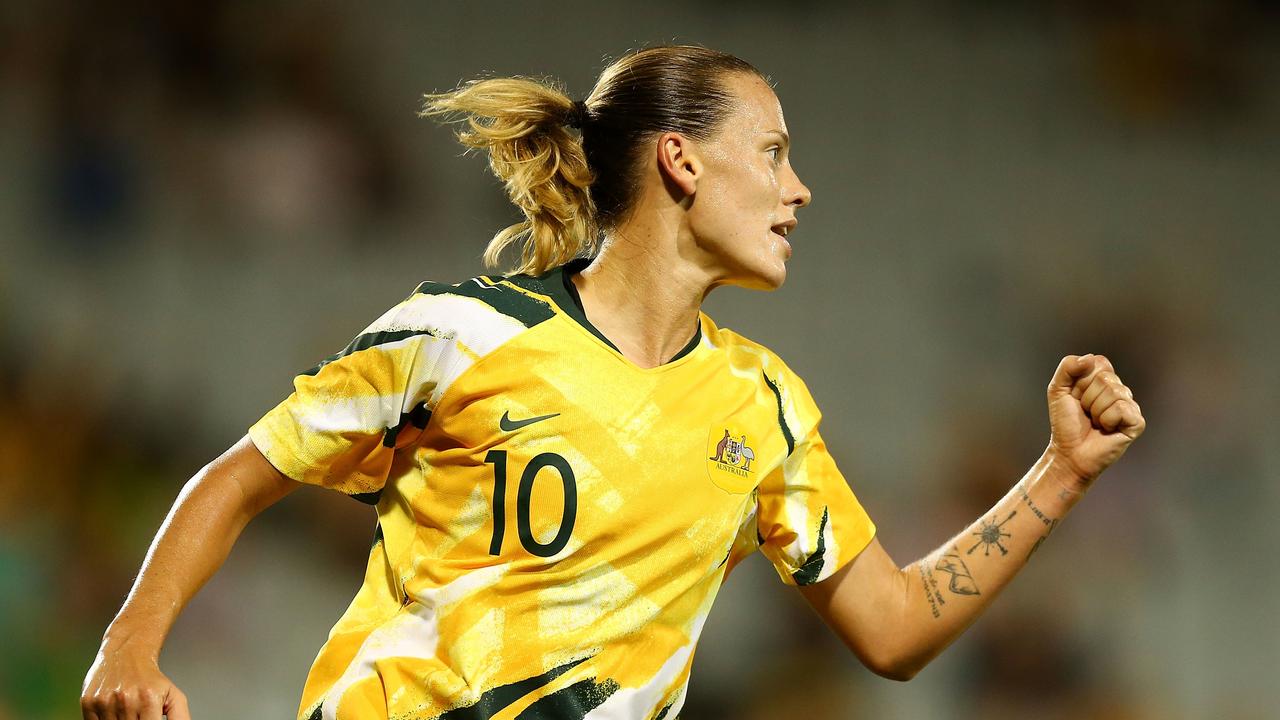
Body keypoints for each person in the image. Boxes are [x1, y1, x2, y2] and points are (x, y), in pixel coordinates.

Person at [80, 45, 1146, 720]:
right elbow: (239, 478)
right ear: (679, 162)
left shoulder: (759, 408)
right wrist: (131, 643)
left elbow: (894, 631)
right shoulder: (461, 333)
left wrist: (1058, 474)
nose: (799, 188)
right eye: (772, 154)